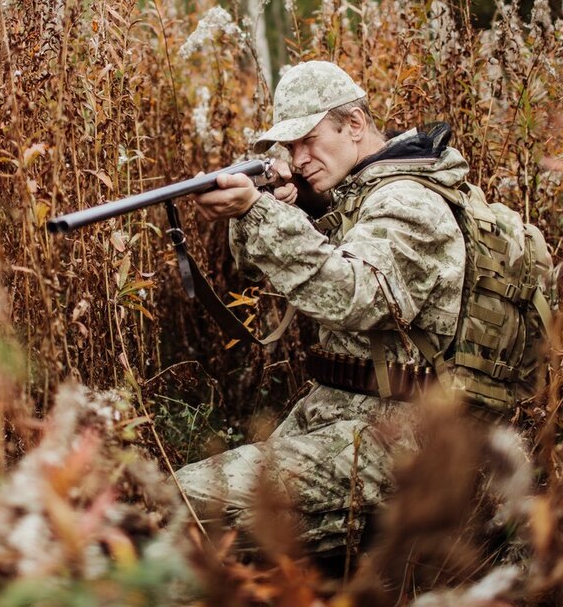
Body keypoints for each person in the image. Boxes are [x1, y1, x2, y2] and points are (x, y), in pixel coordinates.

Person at [175, 60, 469, 556]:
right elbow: (253, 272)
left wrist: (260, 211)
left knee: (185, 504)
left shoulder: (408, 201)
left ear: (354, 124)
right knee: (191, 517)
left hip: (398, 436)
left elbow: (359, 297)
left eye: (307, 139)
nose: (298, 157)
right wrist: (276, 207)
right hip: (343, 414)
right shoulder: (358, 195)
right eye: (288, 147)